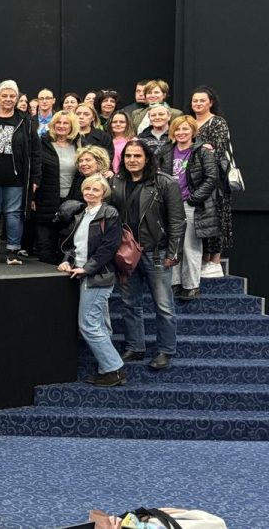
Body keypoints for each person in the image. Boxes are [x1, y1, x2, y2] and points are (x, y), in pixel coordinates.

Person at [113, 138, 185, 370]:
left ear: (147, 159)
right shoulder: (116, 181)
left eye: (137, 156)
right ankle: (135, 347)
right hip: (126, 253)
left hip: (157, 251)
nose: (132, 160)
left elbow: (177, 220)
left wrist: (173, 252)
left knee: (163, 306)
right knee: (129, 303)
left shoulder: (165, 182)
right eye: (128, 156)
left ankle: (165, 350)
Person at [58, 174, 126, 387]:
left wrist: (87, 269)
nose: (90, 192)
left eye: (96, 189)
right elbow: (73, 245)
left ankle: (114, 369)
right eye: (87, 188)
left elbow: (109, 247)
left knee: (88, 324)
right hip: (83, 273)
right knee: (99, 325)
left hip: (99, 276)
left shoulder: (109, 213)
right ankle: (107, 369)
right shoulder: (81, 214)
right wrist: (67, 261)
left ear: (104, 193)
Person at [0, 79, 41, 265]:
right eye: (4, 95)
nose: (8, 99)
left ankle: (13, 251)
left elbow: (36, 152)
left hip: (17, 179)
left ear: (17, 98)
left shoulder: (26, 121)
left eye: (12, 96)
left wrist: (35, 178)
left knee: (14, 214)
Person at [158, 115, 219, 301]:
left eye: (185, 129)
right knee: (174, 245)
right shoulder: (165, 151)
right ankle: (175, 283)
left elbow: (211, 178)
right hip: (170, 205)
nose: (181, 132)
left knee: (190, 246)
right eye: (177, 129)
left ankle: (191, 285)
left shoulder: (202, 152)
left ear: (193, 131)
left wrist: (194, 198)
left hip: (191, 205)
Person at [190, 86, 233, 279]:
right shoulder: (188, 122)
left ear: (211, 103)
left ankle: (215, 261)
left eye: (202, 100)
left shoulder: (218, 122)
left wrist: (198, 150)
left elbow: (219, 149)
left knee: (216, 218)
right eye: (195, 101)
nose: (198, 103)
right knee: (201, 220)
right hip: (193, 179)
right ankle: (202, 260)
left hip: (215, 180)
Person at [34, 111, 80, 265]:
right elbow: (35, 171)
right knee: (45, 251)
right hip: (45, 201)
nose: (61, 126)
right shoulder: (42, 144)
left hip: (70, 202)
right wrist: (32, 197)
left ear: (72, 126)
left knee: (64, 250)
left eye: (66, 123)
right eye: (58, 123)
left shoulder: (79, 145)